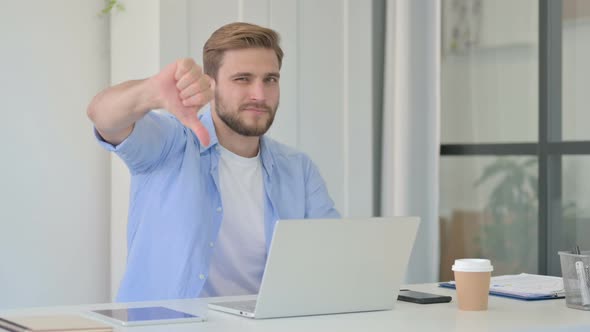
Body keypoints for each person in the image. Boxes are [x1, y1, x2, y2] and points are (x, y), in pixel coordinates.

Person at [87, 22, 339, 302]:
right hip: (165, 326)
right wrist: (151, 93)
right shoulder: (172, 143)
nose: (259, 94)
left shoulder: (297, 169)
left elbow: (333, 257)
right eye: (243, 79)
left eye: (270, 79)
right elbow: (102, 116)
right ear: (211, 84)